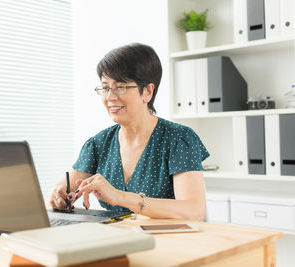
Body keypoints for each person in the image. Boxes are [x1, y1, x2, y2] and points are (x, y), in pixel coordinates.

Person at [49, 43, 209, 220]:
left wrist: (121, 197)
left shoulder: (178, 139)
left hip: (169, 243)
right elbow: (65, 188)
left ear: (147, 92)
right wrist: (59, 196)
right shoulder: (98, 144)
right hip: (117, 241)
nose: (110, 97)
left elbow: (193, 211)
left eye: (120, 87)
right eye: (105, 87)